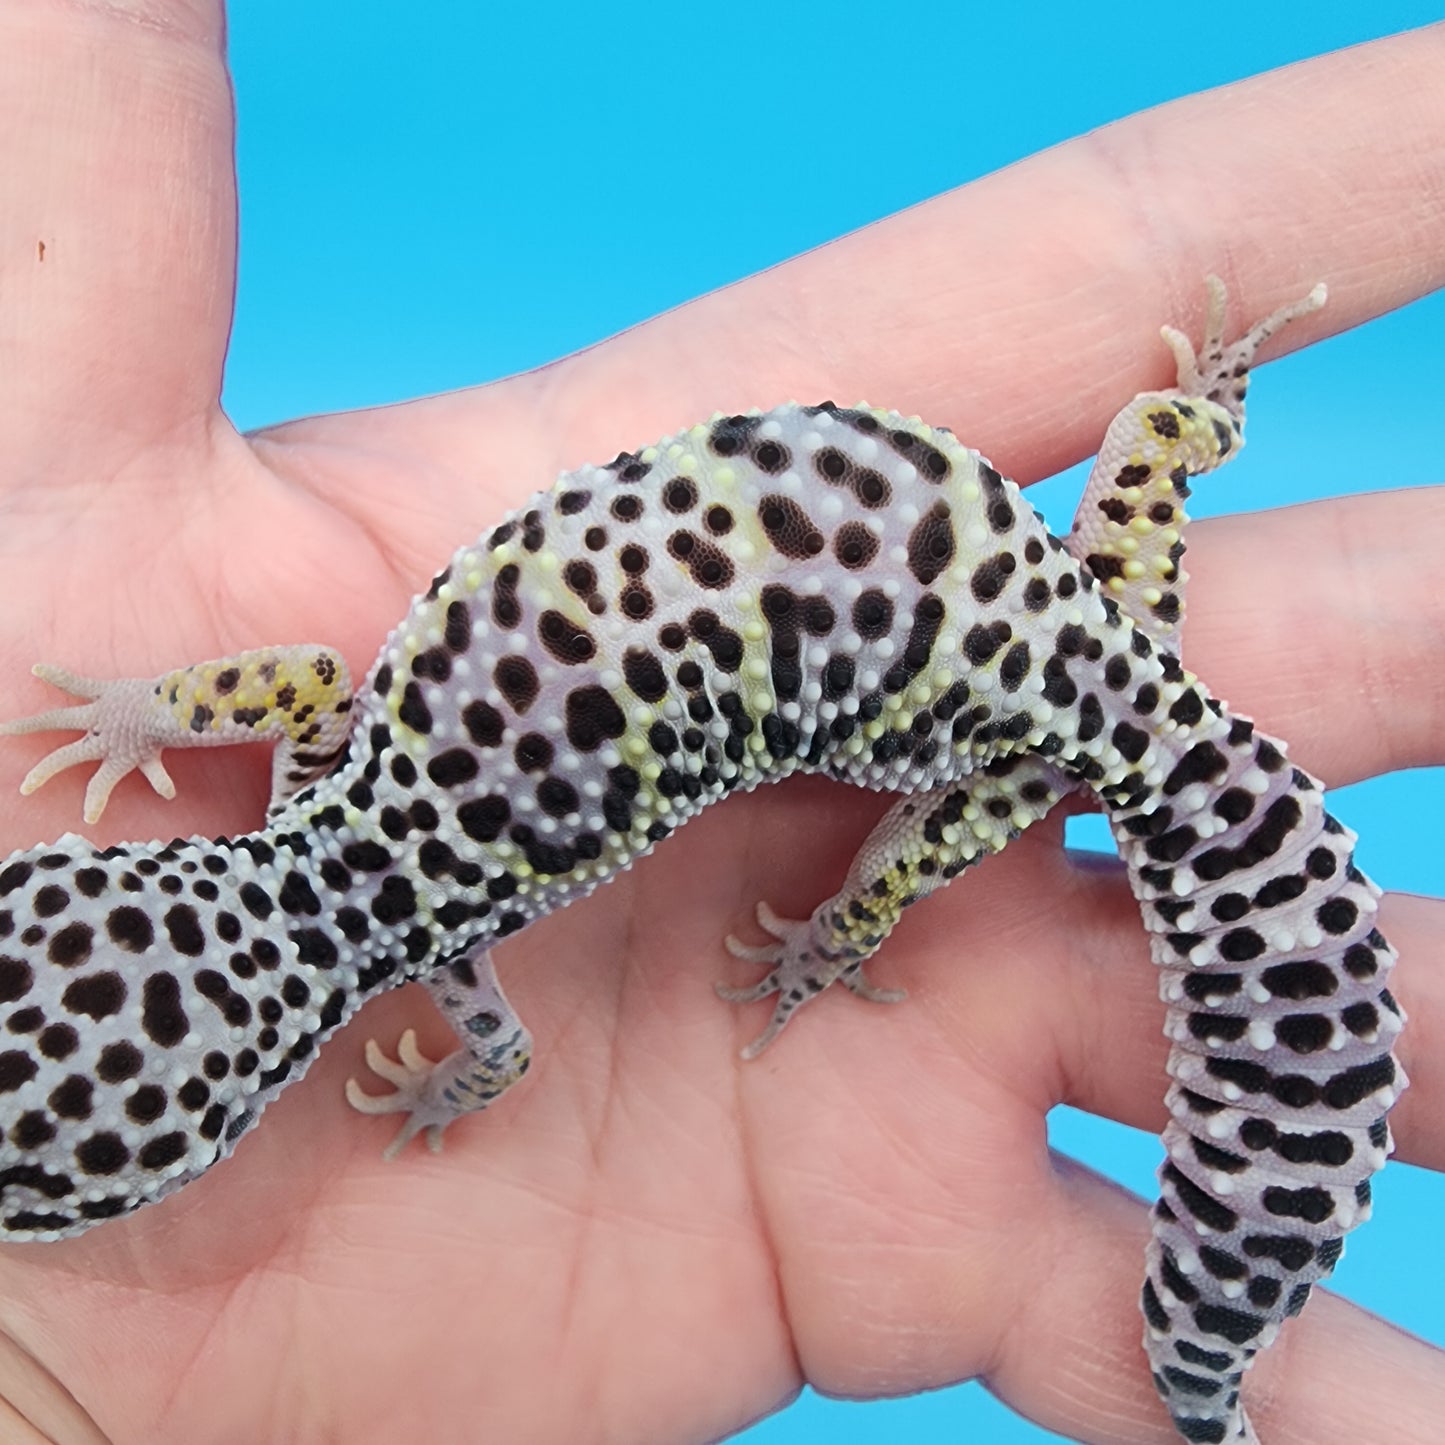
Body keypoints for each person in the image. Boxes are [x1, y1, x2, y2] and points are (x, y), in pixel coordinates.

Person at [0, 7, 1440, 1443]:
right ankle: (1194, 429)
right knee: (1144, 446)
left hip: (990, 675)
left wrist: (836, 932)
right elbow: (306, 682)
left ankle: (1198, 1359)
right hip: (974, 587)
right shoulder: (330, 763)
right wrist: (156, 713)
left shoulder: (444, 951)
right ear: (103, 883)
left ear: (228, 1107)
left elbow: (496, 1058)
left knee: (904, 851)